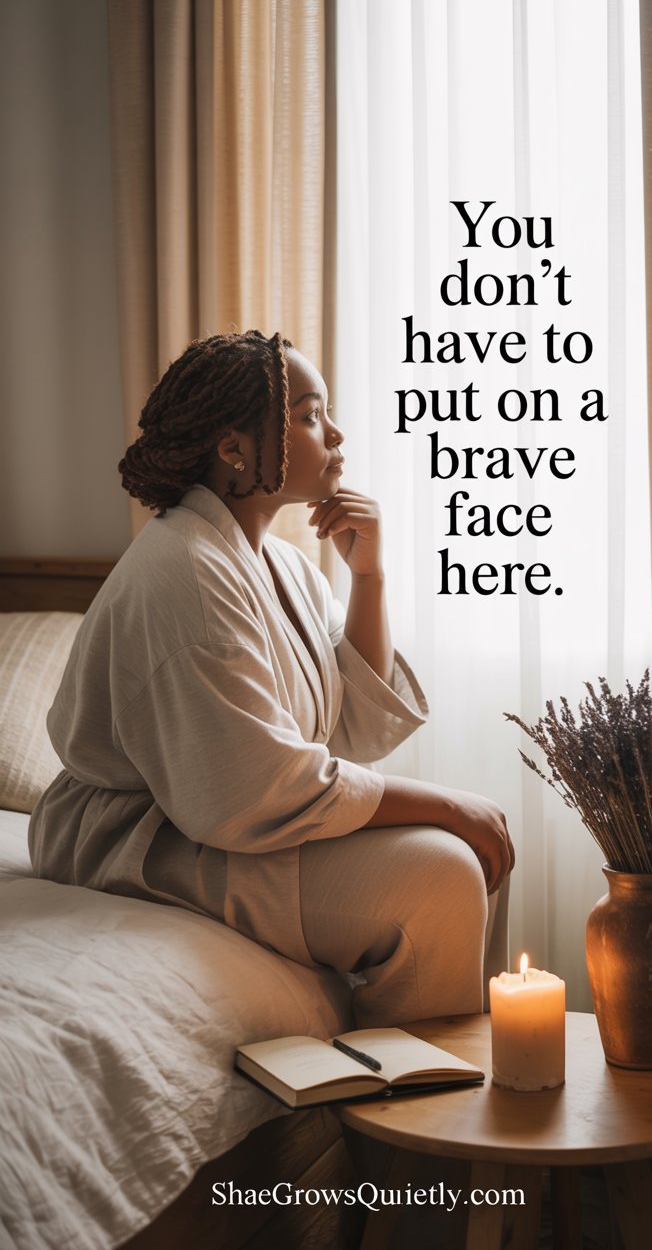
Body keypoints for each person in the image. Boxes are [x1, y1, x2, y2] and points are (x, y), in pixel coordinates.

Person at [29, 330, 514, 1027]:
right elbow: (251, 789)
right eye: (312, 415)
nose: (338, 434)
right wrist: (447, 805)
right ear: (233, 449)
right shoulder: (187, 574)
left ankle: (444, 1096)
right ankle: (411, 1120)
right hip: (134, 838)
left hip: (214, 818)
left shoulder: (278, 564)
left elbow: (355, 727)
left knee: (453, 855)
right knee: (439, 876)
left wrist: (367, 578)